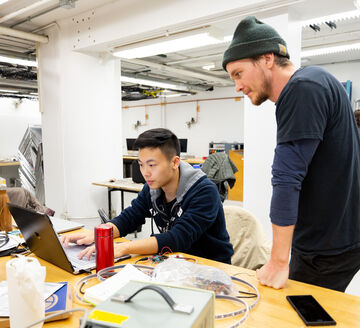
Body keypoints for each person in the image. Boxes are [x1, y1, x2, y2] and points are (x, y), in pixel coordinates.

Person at [222, 16, 360, 291]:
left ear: (267, 59)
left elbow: (286, 179)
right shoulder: (318, 81)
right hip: (336, 239)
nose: (237, 85)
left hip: (323, 250)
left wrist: (277, 260)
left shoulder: (302, 89)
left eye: (238, 73)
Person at [62, 128, 233, 263]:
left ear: (174, 162)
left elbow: (178, 238)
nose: (145, 173)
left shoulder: (204, 191)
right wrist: (98, 234)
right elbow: (130, 218)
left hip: (211, 269)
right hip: (175, 264)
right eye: (141, 165)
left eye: (152, 165)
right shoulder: (153, 187)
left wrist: (124, 248)